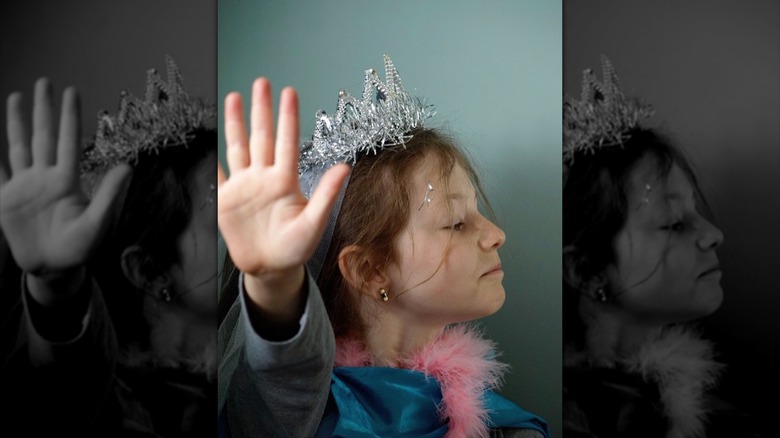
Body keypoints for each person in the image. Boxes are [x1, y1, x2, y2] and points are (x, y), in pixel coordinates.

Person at [216, 55, 550, 437]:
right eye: (456, 223)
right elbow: (281, 379)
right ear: (370, 271)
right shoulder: (305, 414)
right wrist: (275, 283)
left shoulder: (505, 426)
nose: (495, 234)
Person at [0, 56, 217, 437]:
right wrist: (57, 286)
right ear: (150, 270)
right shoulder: (107, 406)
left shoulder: (258, 377)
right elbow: (63, 382)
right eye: (222, 217)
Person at [562, 56, 762, 438]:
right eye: (673, 223)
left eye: (696, 212)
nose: (713, 234)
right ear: (587, 270)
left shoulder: (738, 391)